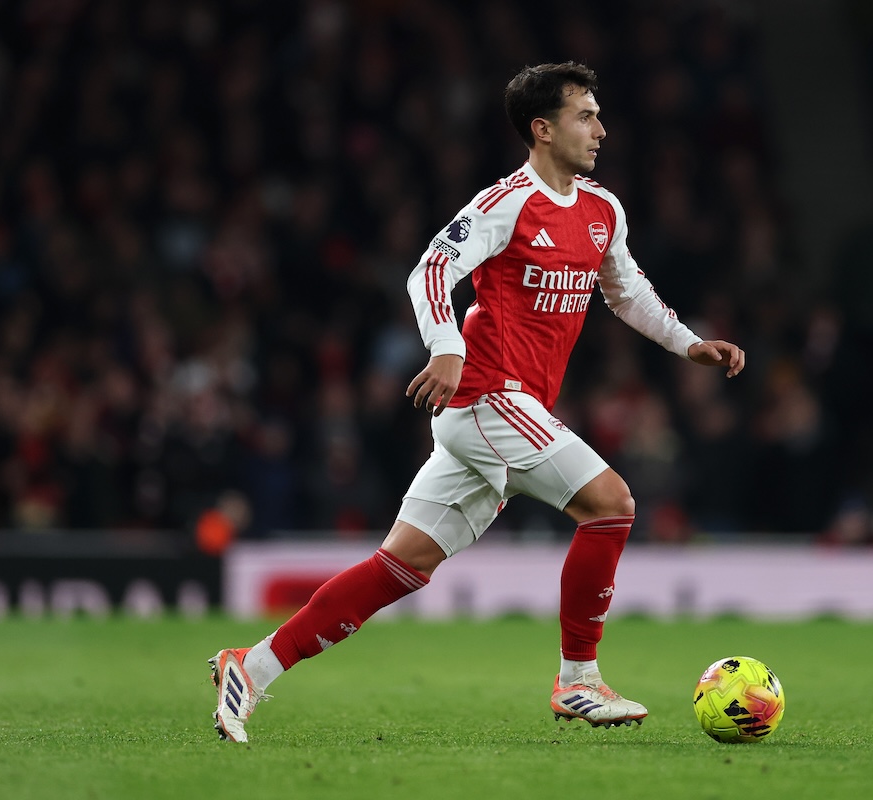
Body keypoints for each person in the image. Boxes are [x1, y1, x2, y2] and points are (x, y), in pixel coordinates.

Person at [208, 61, 745, 743]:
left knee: (399, 568)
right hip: (488, 395)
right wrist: (447, 347)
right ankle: (578, 681)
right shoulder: (505, 203)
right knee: (612, 504)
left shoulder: (603, 209)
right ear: (542, 129)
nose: (601, 129)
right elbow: (431, 268)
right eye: (586, 115)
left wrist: (690, 344)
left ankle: (248, 668)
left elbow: (627, 289)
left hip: (502, 415)